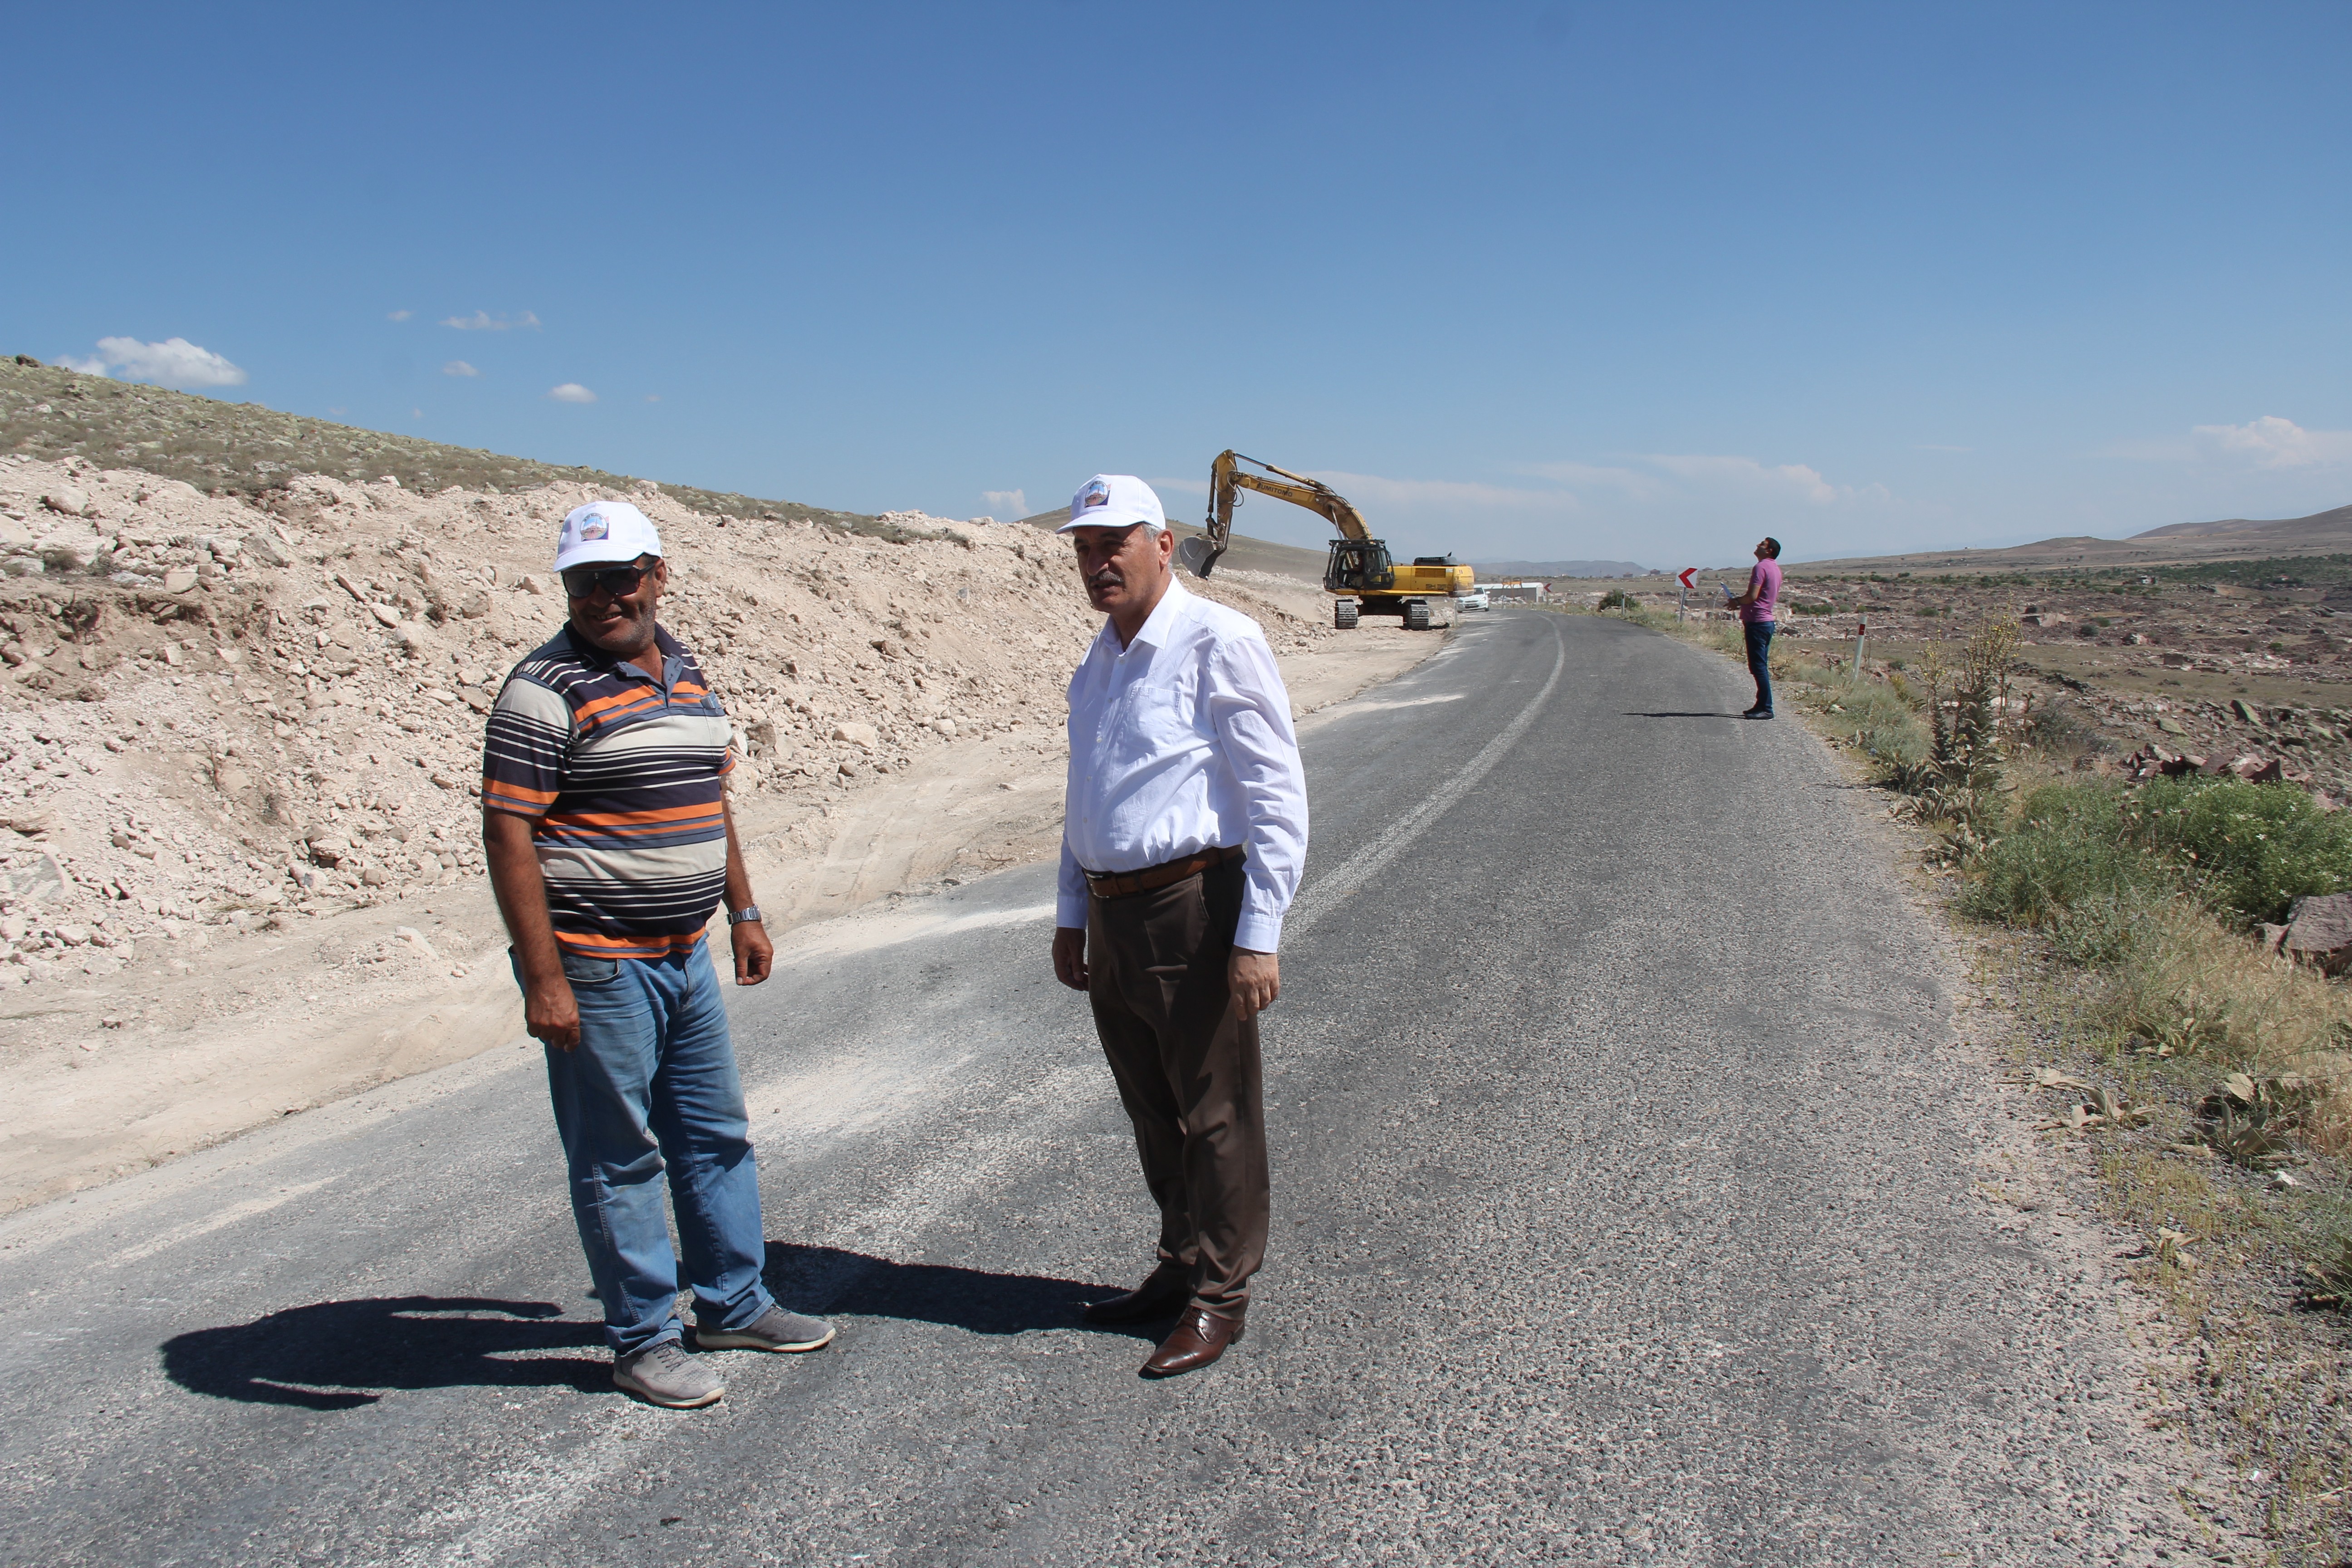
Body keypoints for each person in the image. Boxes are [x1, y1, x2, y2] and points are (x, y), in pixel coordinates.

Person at [480, 498, 832, 1410]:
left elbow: (710, 803)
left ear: (657, 576)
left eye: (620, 577)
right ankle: (642, 1339)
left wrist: (742, 909)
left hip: (685, 954)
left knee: (714, 1136)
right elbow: (509, 834)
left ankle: (733, 1301)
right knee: (619, 1155)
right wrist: (545, 977)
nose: (604, 597)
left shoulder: (687, 672)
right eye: (584, 581)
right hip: (597, 964)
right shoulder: (543, 689)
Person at [1050, 474, 1308, 1378]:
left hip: (1194, 910)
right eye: (1083, 548)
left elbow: (1278, 796)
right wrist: (1071, 914)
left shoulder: (1218, 640)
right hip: (1115, 914)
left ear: (1164, 545)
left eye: (1113, 543)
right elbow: (1086, 792)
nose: (1096, 562)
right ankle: (1181, 1259)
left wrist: (1258, 933)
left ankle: (1221, 1296)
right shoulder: (1101, 658)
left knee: (1216, 1114)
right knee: (1152, 1111)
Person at [1726, 536, 1782, 719]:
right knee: (1760, 665)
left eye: (1763, 545)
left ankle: (1766, 708)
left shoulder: (1761, 567)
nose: (1758, 546)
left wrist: (1736, 602)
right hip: (1766, 622)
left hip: (1757, 623)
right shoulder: (1775, 568)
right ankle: (1761, 705)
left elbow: (1752, 596)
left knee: (1758, 667)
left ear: (1770, 551)